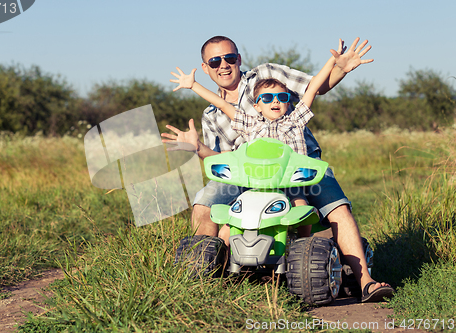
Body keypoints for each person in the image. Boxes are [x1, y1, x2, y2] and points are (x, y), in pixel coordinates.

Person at [162, 36, 393, 302]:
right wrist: (197, 147)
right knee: (210, 208)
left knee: (332, 207)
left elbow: (315, 88)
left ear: (239, 58)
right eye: (215, 61)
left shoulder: (269, 80)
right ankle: (204, 282)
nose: (224, 65)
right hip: (248, 174)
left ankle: (364, 280)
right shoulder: (220, 116)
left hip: (301, 169)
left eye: (230, 58)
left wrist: (337, 66)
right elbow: (222, 158)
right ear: (205, 67)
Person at [169, 44, 341, 238]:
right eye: (267, 98)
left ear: (288, 102)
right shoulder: (252, 125)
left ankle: (302, 247)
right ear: (256, 105)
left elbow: (313, 88)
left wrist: (333, 62)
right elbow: (222, 104)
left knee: (301, 209)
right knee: (228, 229)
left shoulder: (295, 121)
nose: (275, 102)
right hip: (256, 184)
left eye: (281, 97)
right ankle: (222, 264)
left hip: (290, 182)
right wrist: (193, 86)